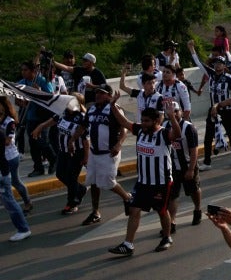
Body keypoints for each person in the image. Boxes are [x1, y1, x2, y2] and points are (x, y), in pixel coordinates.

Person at [107, 98, 180, 255]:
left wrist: (172, 117)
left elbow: (177, 134)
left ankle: (167, 237)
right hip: (143, 182)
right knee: (134, 210)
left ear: (155, 121)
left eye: (147, 121)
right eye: (142, 120)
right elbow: (125, 123)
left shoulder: (163, 134)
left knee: (161, 210)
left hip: (161, 182)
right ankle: (128, 244)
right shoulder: (140, 130)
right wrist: (113, 107)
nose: (143, 123)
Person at [72, 84, 133, 226]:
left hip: (109, 153)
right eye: (97, 92)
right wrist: (72, 140)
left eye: (102, 93)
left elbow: (124, 129)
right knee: (93, 182)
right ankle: (95, 212)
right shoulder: (91, 109)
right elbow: (83, 126)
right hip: (94, 152)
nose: (98, 95)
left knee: (108, 182)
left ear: (109, 95)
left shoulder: (114, 109)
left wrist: (118, 145)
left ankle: (127, 197)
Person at [30, 93, 89, 215]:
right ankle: (80, 189)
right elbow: (51, 121)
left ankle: (72, 203)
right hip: (63, 150)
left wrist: (86, 156)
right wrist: (40, 127)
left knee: (72, 177)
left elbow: (85, 139)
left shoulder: (82, 117)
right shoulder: (63, 113)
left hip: (77, 152)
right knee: (60, 174)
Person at [188, 40, 231, 171]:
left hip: (226, 110)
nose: (217, 66)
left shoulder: (229, 79)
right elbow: (198, 63)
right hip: (213, 111)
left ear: (224, 65)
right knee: (208, 137)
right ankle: (207, 162)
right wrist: (192, 49)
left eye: (220, 63)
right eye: (215, 63)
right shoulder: (211, 75)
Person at [166, 101, 203, 230]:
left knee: (193, 189)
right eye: (171, 111)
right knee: (172, 195)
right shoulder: (165, 126)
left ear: (181, 111)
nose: (174, 114)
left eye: (176, 111)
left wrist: (191, 169)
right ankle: (172, 221)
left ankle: (197, 209)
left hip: (187, 165)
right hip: (172, 168)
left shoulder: (188, 128)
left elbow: (194, 150)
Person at [17, 61, 57, 179]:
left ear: (33, 71)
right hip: (31, 116)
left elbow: (51, 97)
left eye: (26, 70)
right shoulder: (22, 83)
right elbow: (17, 99)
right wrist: (22, 102)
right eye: (22, 70)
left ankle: (53, 159)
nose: (23, 72)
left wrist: (39, 91)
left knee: (41, 141)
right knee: (33, 143)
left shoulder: (42, 81)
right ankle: (38, 167)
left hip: (43, 116)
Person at [1, 125, 32, 242]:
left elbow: (6, 144)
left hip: (2, 174)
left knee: (10, 202)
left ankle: (23, 229)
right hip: (3, 171)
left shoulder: (2, 131)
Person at [0, 96, 30, 213]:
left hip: (10, 157)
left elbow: (8, 141)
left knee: (15, 182)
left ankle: (27, 202)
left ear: (4, 106)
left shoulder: (9, 122)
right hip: (2, 157)